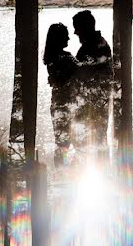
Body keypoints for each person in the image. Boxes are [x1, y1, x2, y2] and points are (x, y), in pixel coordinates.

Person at [71, 10, 112, 153]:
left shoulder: (97, 46)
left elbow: (80, 73)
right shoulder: (91, 46)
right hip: (91, 108)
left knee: (96, 147)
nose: (75, 32)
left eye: (77, 27)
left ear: (86, 27)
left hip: (95, 109)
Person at [43, 22, 78, 165]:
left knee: (62, 143)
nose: (69, 39)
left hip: (58, 105)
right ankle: (65, 172)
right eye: (66, 36)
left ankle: (60, 171)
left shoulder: (52, 59)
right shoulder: (65, 59)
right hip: (66, 106)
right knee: (70, 142)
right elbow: (81, 73)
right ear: (58, 38)